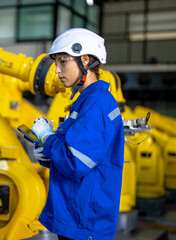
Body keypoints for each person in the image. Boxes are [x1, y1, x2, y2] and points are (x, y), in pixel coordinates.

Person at [31, 28, 125, 240]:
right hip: (76, 214)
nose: (56, 70)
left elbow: (74, 163)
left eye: (62, 62)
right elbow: (79, 154)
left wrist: (47, 138)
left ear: (84, 60)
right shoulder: (86, 102)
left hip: (84, 222)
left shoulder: (96, 104)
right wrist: (49, 153)